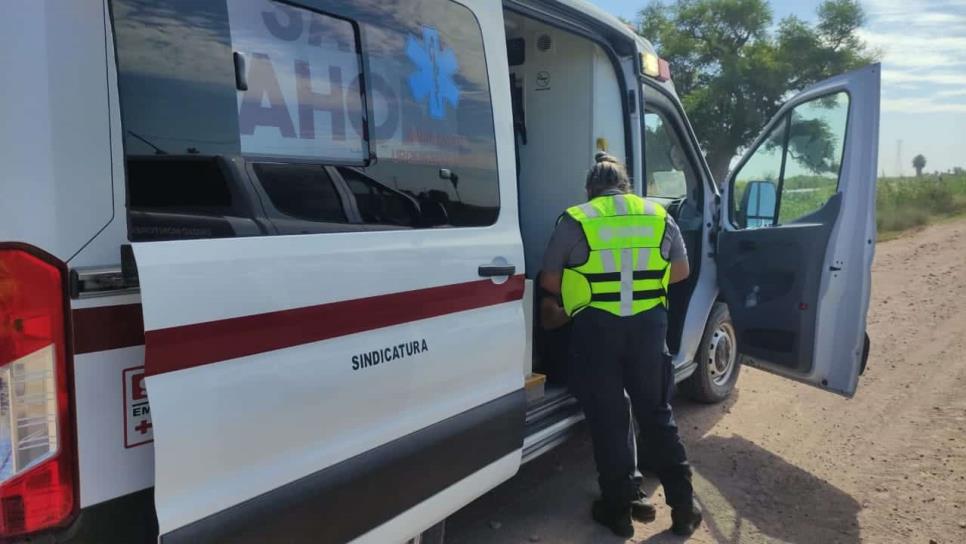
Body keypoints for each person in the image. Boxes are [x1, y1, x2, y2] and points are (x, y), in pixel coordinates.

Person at [540, 152, 703, 538]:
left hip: (597, 331)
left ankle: (616, 512)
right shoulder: (657, 215)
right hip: (648, 330)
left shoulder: (576, 218)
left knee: (610, 419)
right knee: (657, 414)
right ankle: (684, 507)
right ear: (626, 186)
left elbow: (549, 281)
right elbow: (681, 271)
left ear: (590, 189)